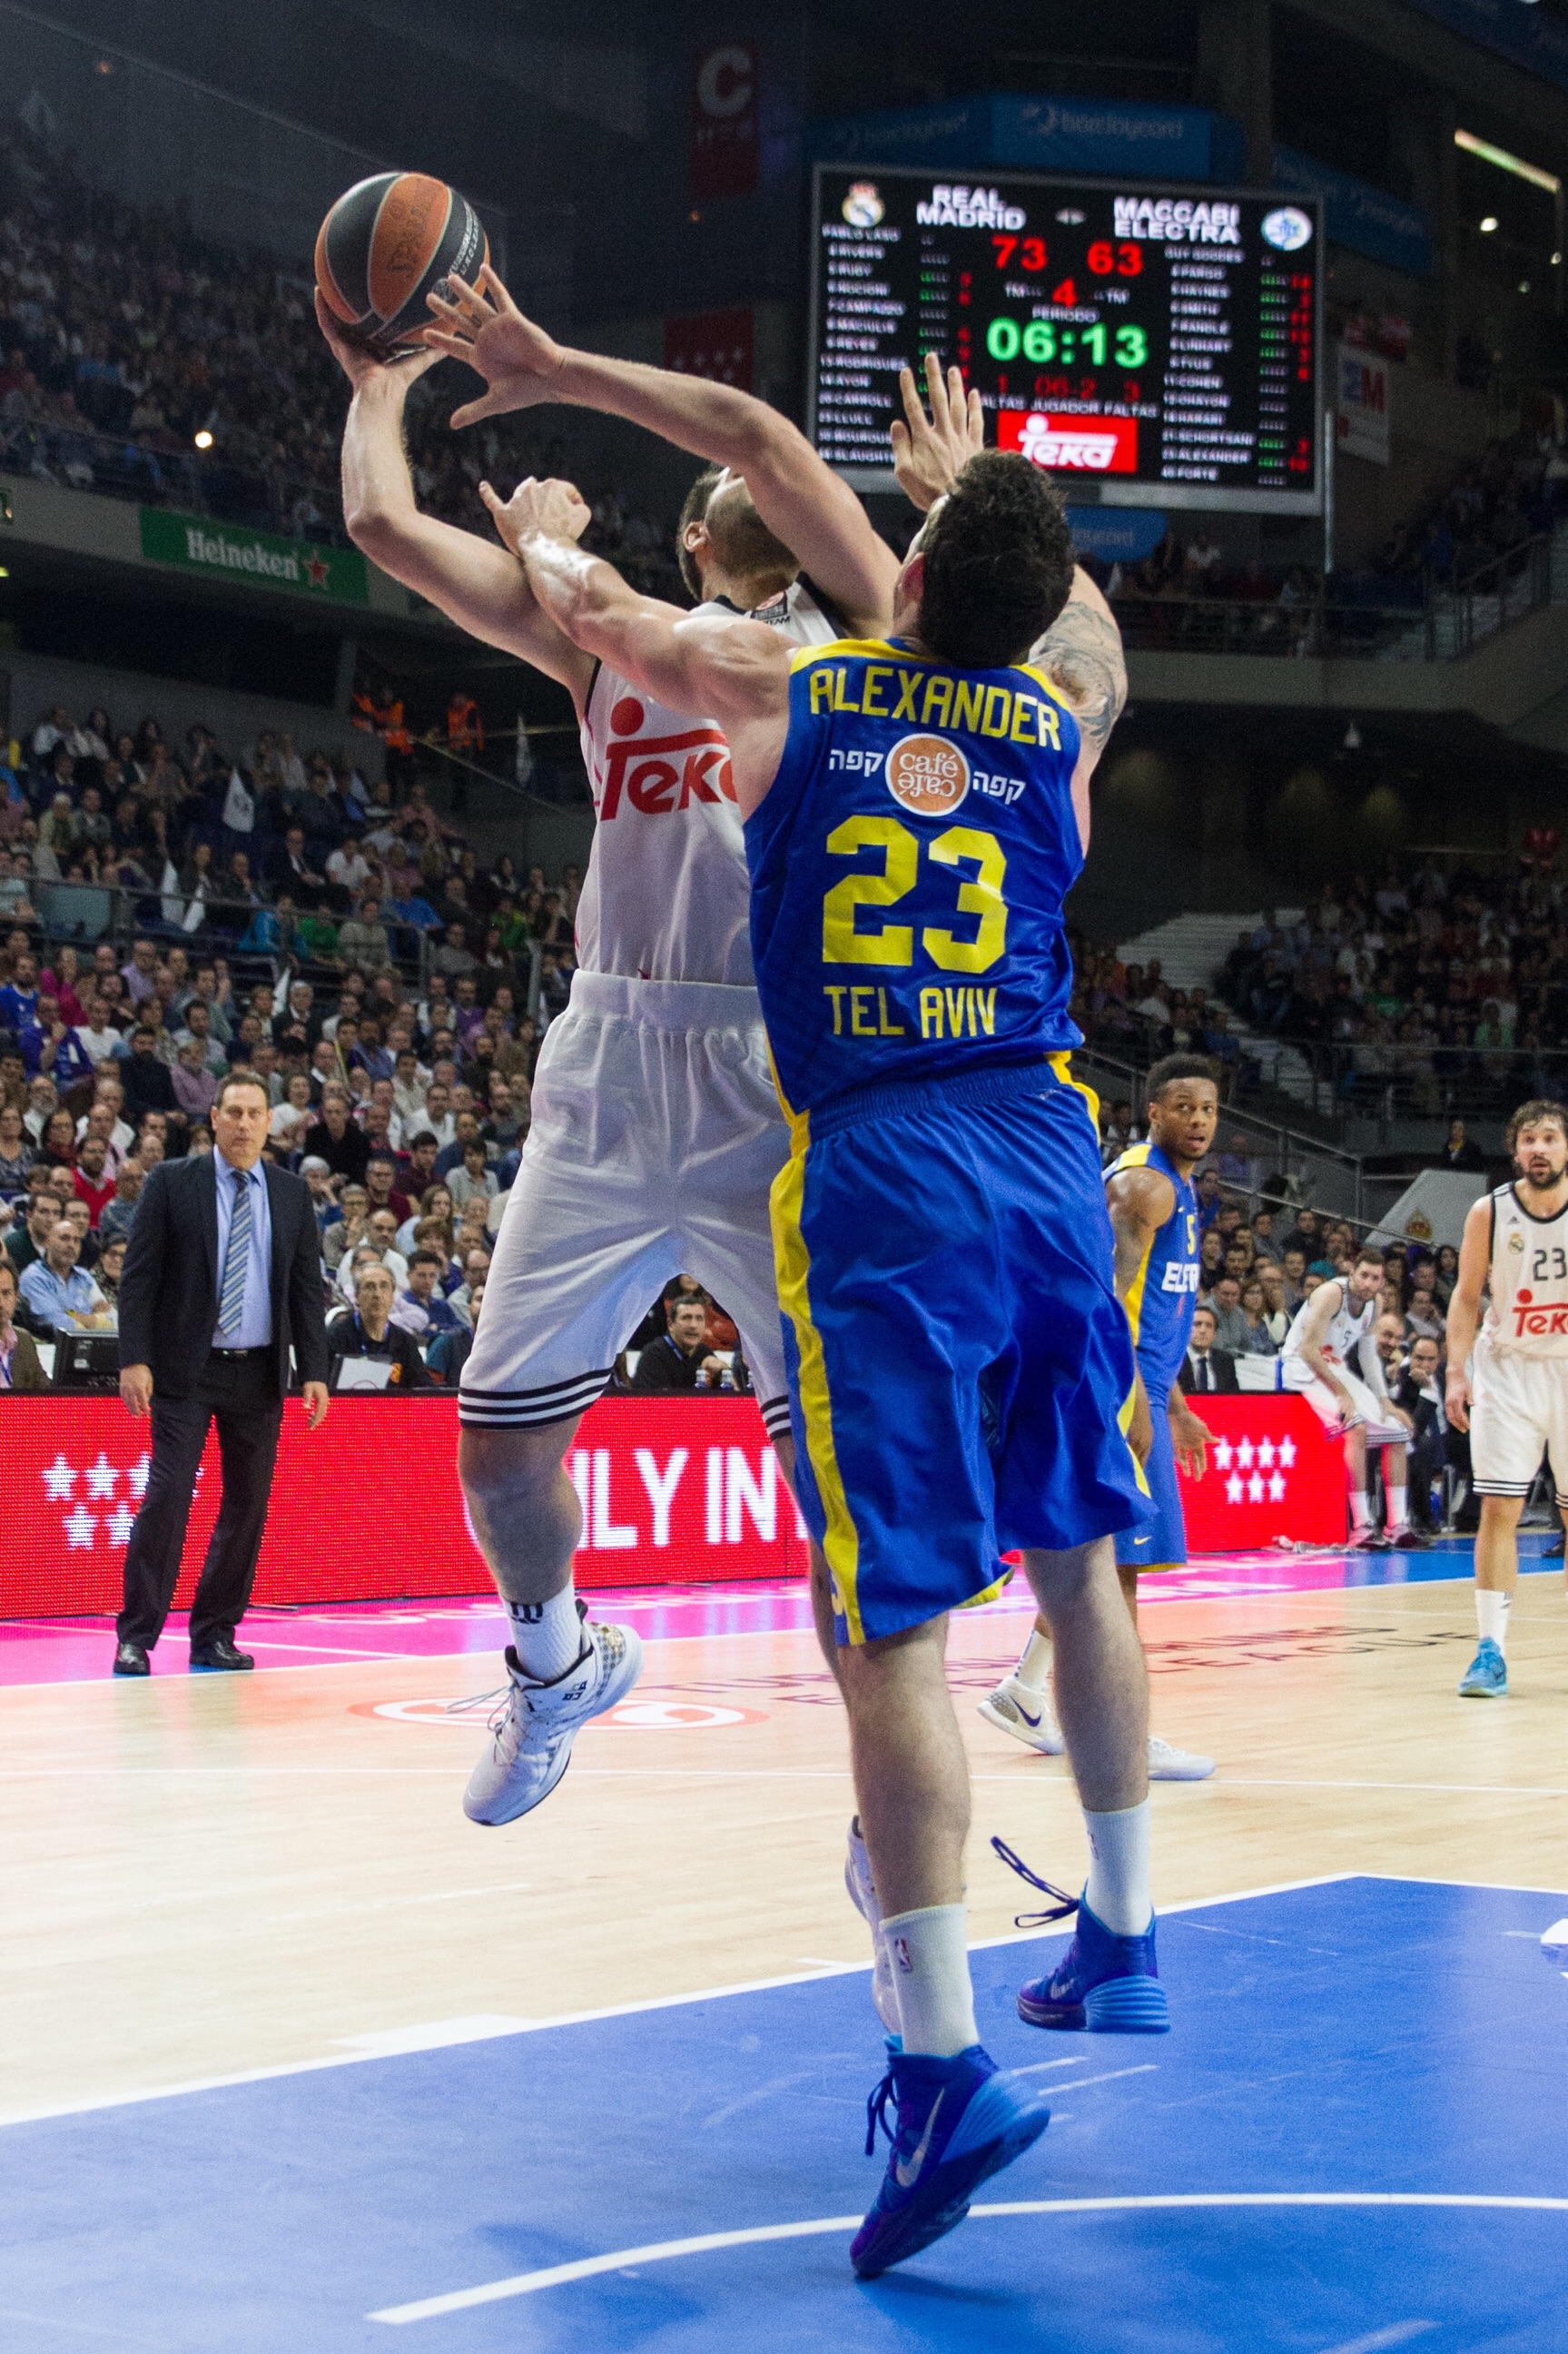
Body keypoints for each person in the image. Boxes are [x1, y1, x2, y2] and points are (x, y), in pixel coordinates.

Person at [502, 444, 1158, 2275]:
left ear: (915, 564)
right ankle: (1117, 1926)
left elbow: (611, 621)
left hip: (882, 1158)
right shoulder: (1055, 733)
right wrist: (999, 520)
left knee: (883, 1624)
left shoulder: (804, 688)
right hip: (1040, 1141)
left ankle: (939, 2061)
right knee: (1077, 1557)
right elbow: (1090, 643)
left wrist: (551, 544)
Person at [322, 276, 981, 1828]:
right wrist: (375, 380)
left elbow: (784, 463)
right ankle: (553, 1664)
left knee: (835, 1498)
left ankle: (885, 1807)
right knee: (494, 1454)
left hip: (779, 1079)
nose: (743, 501)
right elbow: (382, 529)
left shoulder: (867, 644)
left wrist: (945, 498)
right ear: (693, 542)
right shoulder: (606, 644)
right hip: (609, 1060)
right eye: (721, 501)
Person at [981, 1055, 1218, 1781]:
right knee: (1122, 1568)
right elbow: (1105, 1293)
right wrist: (1135, 1394)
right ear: (1153, 1112)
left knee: (1095, 1557)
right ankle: (1125, 1737)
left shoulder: (1176, 1187)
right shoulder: (1142, 1186)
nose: (1198, 1121)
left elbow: (1160, 1307)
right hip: (1117, 1379)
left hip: (1142, 1380)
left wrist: (1172, 1400)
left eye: (1208, 1109)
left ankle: (1025, 1691)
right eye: (1183, 1107)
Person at [113, 1072, 330, 1677]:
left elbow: (306, 1289)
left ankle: (214, 1634)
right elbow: (139, 1277)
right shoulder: (171, 1183)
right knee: (168, 1498)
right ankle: (135, 1636)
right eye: (231, 1111)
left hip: (259, 1372)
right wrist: (134, 1357)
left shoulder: (289, 1194)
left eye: (253, 1113)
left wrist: (313, 1368)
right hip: (186, 1369)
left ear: (269, 1122)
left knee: (247, 1508)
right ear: (212, 1118)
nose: (242, 1123)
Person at [1446, 1099, 1568, 1697]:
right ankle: (1488, 1651)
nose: (1538, 1149)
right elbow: (1466, 1297)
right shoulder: (1487, 1212)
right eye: (1528, 1139)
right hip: (1507, 1370)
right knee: (1499, 1509)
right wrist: (1454, 1371)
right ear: (1514, 1150)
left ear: (1565, 1148)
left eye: (1549, 1138)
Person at [1280, 1244, 1423, 1548]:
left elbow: (1369, 1355)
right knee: (1355, 1427)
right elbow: (1308, 1349)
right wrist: (1342, 1393)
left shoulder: (1376, 1303)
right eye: (1364, 1276)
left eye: (1375, 1278)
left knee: (1397, 1432)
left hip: (1335, 1367)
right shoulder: (1332, 1294)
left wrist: (1384, 1399)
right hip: (1301, 1366)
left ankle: (1397, 1524)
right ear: (1352, 1272)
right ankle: (1361, 1524)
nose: (1368, 1283)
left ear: (1383, 1282)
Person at [326, 1260, 431, 1390]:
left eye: (384, 1286)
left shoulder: (405, 1342)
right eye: (369, 1286)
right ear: (357, 1297)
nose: (377, 1294)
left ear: (392, 1296)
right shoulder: (334, 1337)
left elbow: (424, 1388)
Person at [1394, 1333, 1447, 1537]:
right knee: (1423, 1446)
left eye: (1430, 1359)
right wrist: (1426, 1389)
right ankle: (1422, 1517)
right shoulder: (1402, 1377)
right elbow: (1413, 1427)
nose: (1424, 1364)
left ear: (1438, 1360)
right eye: (1419, 1358)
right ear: (1411, 1356)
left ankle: (1469, 1514)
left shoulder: (1445, 1375)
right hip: (1417, 1439)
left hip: (1446, 1435)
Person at [19, 1217, 108, 1331]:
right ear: (47, 1242)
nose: (71, 1245)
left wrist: (72, 1316)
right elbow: (56, 1324)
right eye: (64, 1238)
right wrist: (96, 1321)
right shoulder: (34, 1277)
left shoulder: (84, 1276)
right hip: (49, 1345)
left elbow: (112, 1319)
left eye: (76, 1240)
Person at [629, 1292, 728, 1392]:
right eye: (686, 1318)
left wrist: (724, 1372)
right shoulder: (653, 1356)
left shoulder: (705, 1353)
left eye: (699, 1319)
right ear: (670, 1324)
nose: (693, 1325)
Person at [0, 1257, 51, 1390]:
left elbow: (45, 1392)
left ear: (16, 1296)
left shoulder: (24, 1341)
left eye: (6, 1293)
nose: (0, 1303)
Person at [1178, 1302, 1238, 1394]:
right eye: (1197, 1324)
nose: (1203, 1330)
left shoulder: (1225, 1360)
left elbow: (1234, 1397)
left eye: (1209, 1326)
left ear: (1215, 1333)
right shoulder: (1175, 1360)